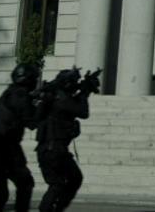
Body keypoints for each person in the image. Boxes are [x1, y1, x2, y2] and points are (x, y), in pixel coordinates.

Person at [0, 63, 40, 212]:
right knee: (24, 184)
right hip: (3, 149)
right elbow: (32, 122)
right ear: (29, 79)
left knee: (1, 194)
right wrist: (45, 104)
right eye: (35, 79)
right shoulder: (20, 95)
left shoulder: (11, 92)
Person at [36, 68, 98, 212]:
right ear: (68, 84)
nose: (76, 85)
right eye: (74, 82)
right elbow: (82, 112)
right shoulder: (61, 98)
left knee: (70, 180)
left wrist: (83, 89)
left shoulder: (55, 97)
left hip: (49, 149)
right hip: (54, 150)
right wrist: (85, 92)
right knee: (60, 183)